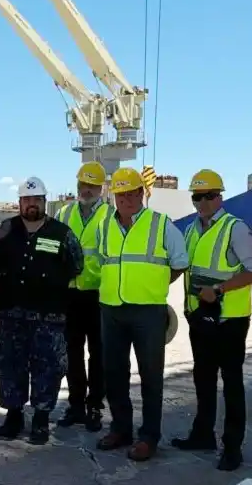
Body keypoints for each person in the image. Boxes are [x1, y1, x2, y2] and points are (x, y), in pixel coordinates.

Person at [94, 166, 188, 461]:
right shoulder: (103, 226)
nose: (128, 199)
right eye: (122, 194)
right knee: (114, 374)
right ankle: (121, 428)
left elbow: (180, 261)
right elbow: (103, 260)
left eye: (133, 193)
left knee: (151, 377)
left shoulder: (161, 224)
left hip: (148, 312)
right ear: (114, 197)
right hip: (111, 310)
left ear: (142, 193)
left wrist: (156, 283)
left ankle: (149, 436)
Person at [172, 169, 252, 471]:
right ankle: (203, 434)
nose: (203, 202)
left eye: (209, 196)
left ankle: (232, 446)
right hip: (199, 318)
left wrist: (220, 289)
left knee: (232, 383)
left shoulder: (233, 228)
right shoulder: (191, 230)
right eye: (197, 197)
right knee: (203, 378)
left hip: (229, 320)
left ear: (219, 196)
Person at [0, 176, 83, 444]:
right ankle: (14, 414)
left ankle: (41, 418)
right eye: (27, 200)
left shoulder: (62, 233)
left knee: (49, 367)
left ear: (44, 202)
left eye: (37, 200)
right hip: (11, 314)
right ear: (19, 203)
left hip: (49, 316)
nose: (31, 204)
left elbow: (76, 264)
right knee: (10, 365)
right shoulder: (5, 231)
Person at [55, 161, 110, 432]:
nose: (86, 189)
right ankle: (76, 404)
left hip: (99, 295)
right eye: (82, 185)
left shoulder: (110, 216)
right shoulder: (64, 214)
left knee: (99, 354)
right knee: (72, 353)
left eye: (91, 185)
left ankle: (95, 406)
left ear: (101, 188)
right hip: (71, 294)